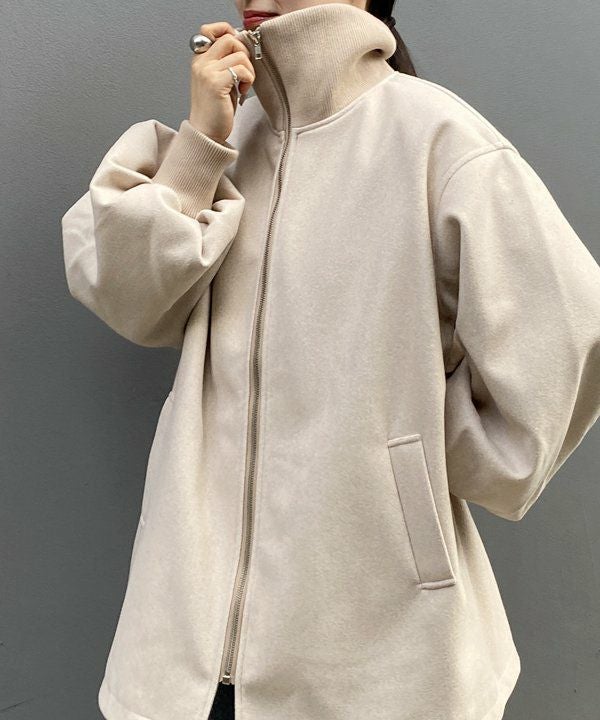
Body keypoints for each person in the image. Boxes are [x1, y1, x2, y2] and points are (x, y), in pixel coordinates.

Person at [60, 1, 600, 719]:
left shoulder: (435, 137)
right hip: (186, 653)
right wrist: (200, 147)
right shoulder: (225, 141)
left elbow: (570, 333)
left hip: (377, 662)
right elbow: (129, 299)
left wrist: (411, 457)